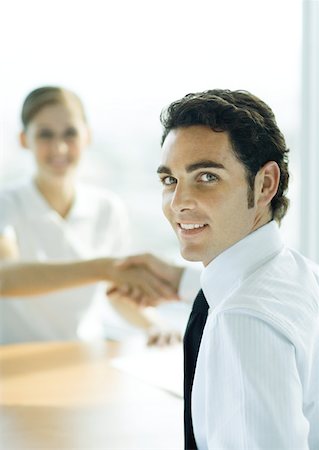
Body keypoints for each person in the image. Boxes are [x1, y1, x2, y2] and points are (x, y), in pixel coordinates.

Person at [122, 89, 319, 449]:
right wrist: (180, 281)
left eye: (207, 177)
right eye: (170, 180)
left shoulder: (241, 320)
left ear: (265, 184)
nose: (179, 203)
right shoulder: (300, 274)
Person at [0, 86, 200, 344]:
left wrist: (153, 325)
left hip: (84, 357)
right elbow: (5, 276)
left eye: (70, 133)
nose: (59, 147)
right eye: (45, 135)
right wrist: (104, 268)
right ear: (24, 140)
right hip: (16, 359)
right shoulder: (7, 203)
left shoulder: (107, 208)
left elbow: (116, 291)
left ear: (88, 137)